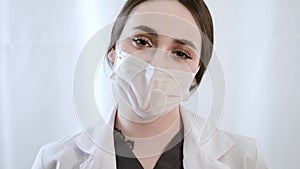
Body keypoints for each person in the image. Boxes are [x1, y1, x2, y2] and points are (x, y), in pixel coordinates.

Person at [32, 0, 270, 168]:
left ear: (196, 75)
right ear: (114, 51)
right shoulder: (56, 161)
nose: (157, 64)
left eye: (181, 53)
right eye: (141, 41)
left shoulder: (244, 159)